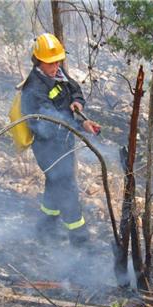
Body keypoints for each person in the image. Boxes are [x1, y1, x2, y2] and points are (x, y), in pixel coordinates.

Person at [20, 33, 100, 247]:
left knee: (55, 182)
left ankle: (46, 227)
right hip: (48, 147)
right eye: (50, 63)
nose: (56, 66)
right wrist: (81, 125)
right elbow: (52, 125)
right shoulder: (33, 90)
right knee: (66, 185)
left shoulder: (57, 72)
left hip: (64, 142)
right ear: (38, 61)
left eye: (58, 61)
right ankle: (80, 239)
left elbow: (75, 89)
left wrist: (77, 102)